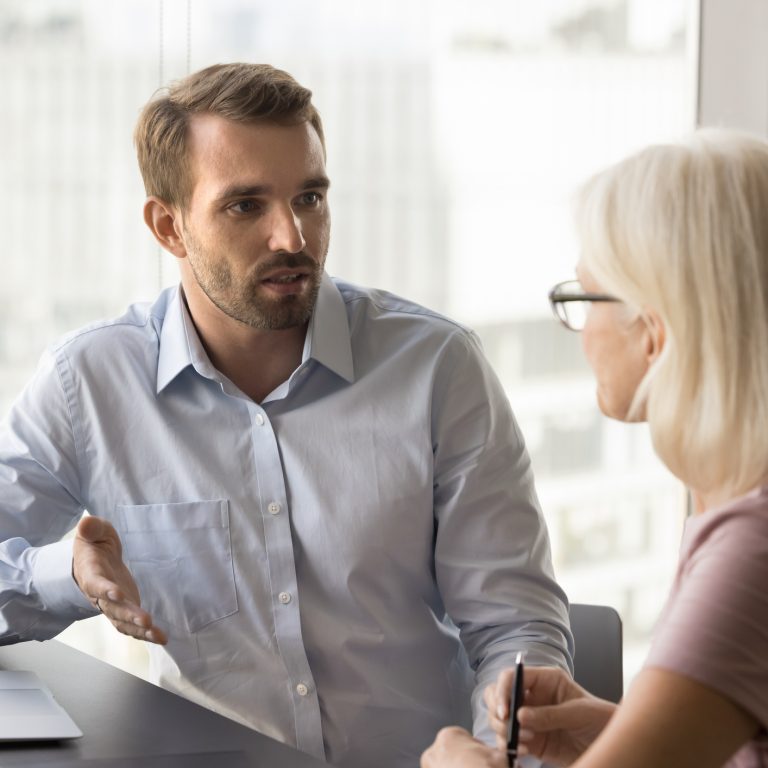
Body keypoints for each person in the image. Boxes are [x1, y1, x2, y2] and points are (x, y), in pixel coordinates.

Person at [0, 63, 572, 768]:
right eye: (246, 206)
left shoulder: (437, 368)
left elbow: (514, 625)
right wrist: (67, 575)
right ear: (168, 226)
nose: (293, 237)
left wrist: (504, 753)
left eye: (310, 197)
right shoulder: (88, 383)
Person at [420, 129, 768, 768]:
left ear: (655, 334)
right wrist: (617, 730)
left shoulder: (751, 550)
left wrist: (454, 761)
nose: (581, 334)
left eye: (584, 297)